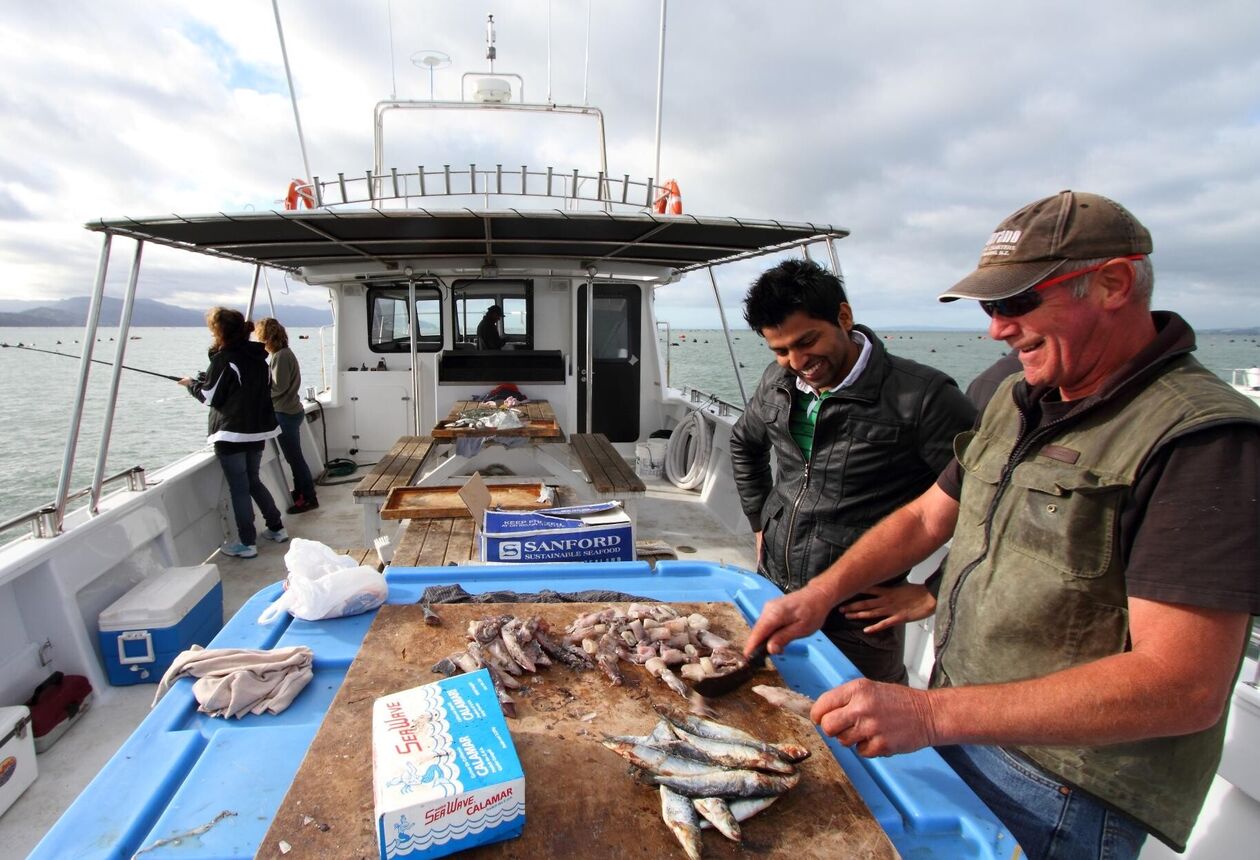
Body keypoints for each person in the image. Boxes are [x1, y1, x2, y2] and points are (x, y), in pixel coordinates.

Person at [744, 191, 1260, 858]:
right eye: (990, 307)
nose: (996, 330)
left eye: (1016, 303)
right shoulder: (1018, 400)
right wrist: (820, 594)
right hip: (959, 730)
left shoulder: (1201, 439)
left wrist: (928, 713)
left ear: (1114, 283)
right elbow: (930, 514)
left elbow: (1183, 685)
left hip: (1064, 785)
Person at [729, 258, 976, 684]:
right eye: (780, 350)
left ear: (844, 317)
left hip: (858, 612)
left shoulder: (923, 398)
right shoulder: (776, 381)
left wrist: (936, 591)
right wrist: (759, 522)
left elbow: (990, 505)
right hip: (773, 586)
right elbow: (744, 443)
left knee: (862, 727)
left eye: (807, 341)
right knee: (772, 705)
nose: (796, 360)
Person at [840, 349, 1023, 633]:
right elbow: (939, 505)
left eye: (1017, 306)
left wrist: (937, 590)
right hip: (968, 643)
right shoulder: (1000, 386)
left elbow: (991, 510)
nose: (997, 330)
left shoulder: (934, 395)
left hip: (864, 614)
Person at [179, 307, 287, 559]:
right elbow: (247, 389)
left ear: (218, 332)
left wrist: (190, 384)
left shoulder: (223, 359)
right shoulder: (259, 358)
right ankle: (277, 528)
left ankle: (247, 544)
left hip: (231, 435)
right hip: (257, 433)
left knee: (239, 487)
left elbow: (208, 397)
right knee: (253, 481)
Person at [254, 317, 319, 514]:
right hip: (291, 410)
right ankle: (301, 492)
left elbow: (279, 387)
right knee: (294, 457)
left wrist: (257, 393)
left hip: (285, 412)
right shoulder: (283, 354)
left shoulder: (280, 357)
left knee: (295, 458)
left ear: (267, 336)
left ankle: (309, 497)